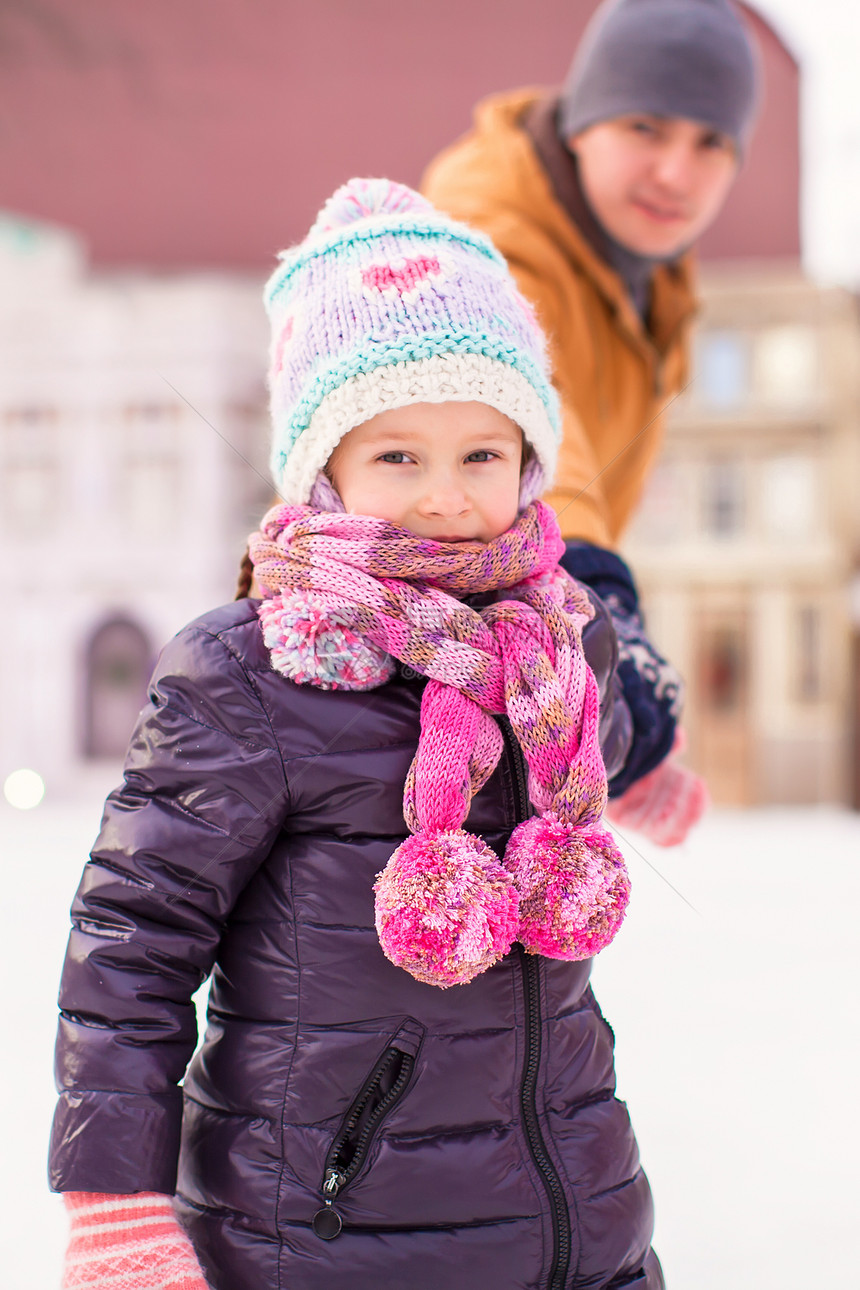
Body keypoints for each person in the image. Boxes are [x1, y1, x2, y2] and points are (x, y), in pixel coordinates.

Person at [47, 179, 688, 1290]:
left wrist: (646, 754)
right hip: (328, 1242)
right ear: (325, 468)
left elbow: (612, 735)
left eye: (481, 454)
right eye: (399, 456)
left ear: (528, 462)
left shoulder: (553, 647)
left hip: (578, 1222)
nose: (445, 497)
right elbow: (131, 945)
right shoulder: (249, 672)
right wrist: (114, 1204)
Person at [422, 0, 759, 793]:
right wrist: (595, 603)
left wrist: (607, 685)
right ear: (582, 120)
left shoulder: (651, 274)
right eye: (646, 126)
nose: (677, 172)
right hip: (406, 643)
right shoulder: (493, 235)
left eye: (711, 141)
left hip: (495, 648)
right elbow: (536, 423)